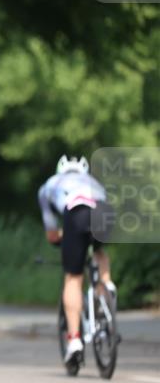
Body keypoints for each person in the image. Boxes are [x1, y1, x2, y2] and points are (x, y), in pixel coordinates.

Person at [37, 155, 115, 370]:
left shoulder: (49, 186)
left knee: (73, 277)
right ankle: (106, 289)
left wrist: (63, 238)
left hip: (77, 212)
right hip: (104, 212)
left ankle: (74, 340)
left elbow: (52, 232)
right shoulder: (94, 182)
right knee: (99, 251)